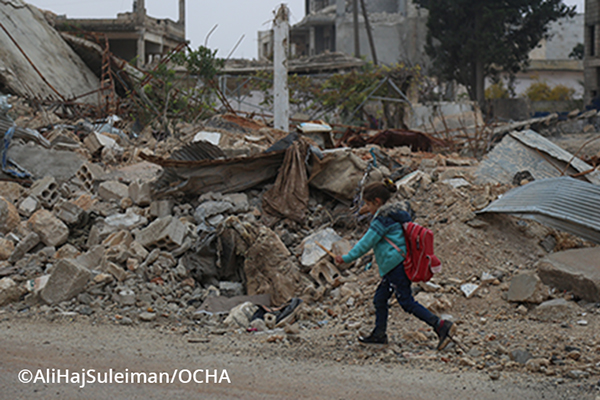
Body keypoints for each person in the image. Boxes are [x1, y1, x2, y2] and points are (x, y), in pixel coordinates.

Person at [335, 180, 456, 350]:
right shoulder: (396, 215)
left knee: (406, 301)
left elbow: (366, 243)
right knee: (380, 298)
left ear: (377, 202)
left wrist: (346, 258)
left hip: (395, 267)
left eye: (368, 204)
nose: (367, 208)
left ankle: (440, 325)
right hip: (397, 266)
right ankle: (379, 335)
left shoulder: (382, 220)